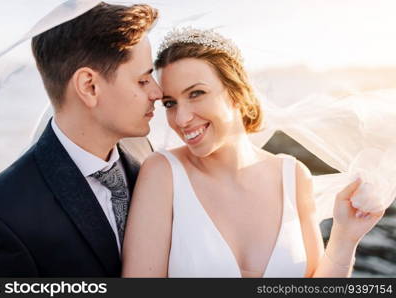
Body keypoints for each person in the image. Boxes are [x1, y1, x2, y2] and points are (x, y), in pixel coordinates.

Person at [121, 28, 385, 277]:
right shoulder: (162, 172)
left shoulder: (292, 175)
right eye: (170, 103)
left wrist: (345, 237)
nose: (181, 118)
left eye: (196, 93)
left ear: (236, 93)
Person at [0, 2, 162, 277]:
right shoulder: (0, 213)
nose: (158, 93)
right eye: (143, 80)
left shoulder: (145, 153)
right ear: (89, 86)